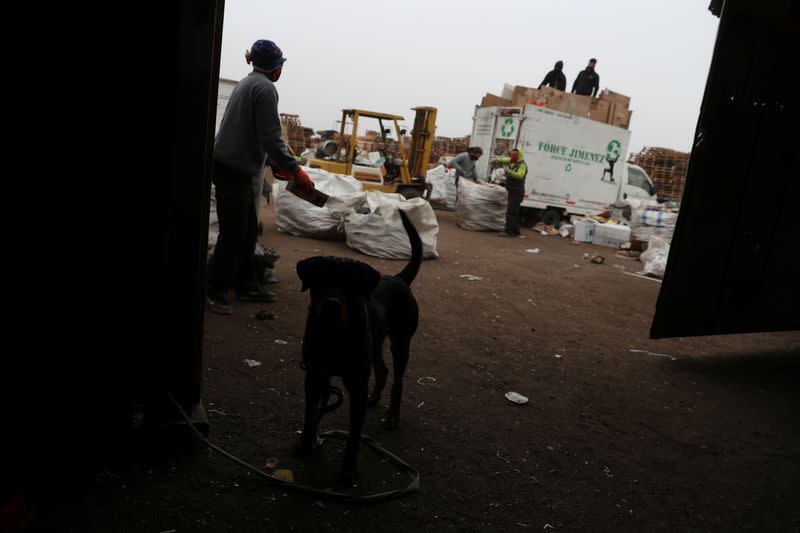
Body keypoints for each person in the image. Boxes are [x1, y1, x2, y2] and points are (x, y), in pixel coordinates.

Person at [207, 39, 315, 315]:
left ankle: (246, 284)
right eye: (281, 66)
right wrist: (296, 171)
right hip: (234, 170)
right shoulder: (266, 89)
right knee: (233, 234)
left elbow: (254, 133)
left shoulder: (247, 82)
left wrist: (272, 161)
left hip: (230, 165)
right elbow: (270, 137)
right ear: (275, 68)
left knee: (246, 231)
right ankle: (213, 290)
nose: (281, 71)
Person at [494, 148, 528, 237]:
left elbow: (520, 175)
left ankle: (508, 231)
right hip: (512, 190)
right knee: (514, 212)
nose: (512, 156)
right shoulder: (513, 161)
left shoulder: (522, 165)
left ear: (518, 155)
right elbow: (504, 160)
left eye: (514, 155)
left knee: (511, 211)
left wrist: (509, 171)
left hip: (517, 191)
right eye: (511, 154)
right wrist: (496, 159)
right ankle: (516, 231)